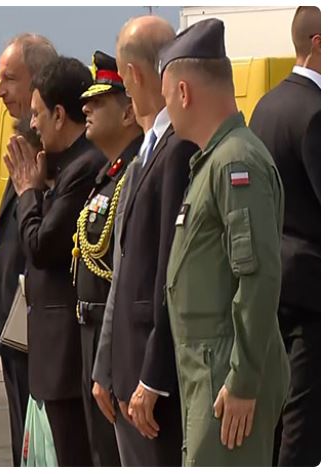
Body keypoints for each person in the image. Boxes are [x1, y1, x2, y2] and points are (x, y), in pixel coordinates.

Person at [160, 18, 290, 466]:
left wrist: (243, 380)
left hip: (227, 374)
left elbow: (257, 274)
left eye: (166, 99)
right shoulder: (214, 161)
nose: (167, 113)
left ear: (183, 92)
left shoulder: (237, 162)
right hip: (211, 370)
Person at [103, 16, 197, 466]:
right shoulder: (149, 148)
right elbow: (124, 271)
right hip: (128, 371)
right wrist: (108, 367)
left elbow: (167, 274)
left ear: (132, 75)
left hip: (150, 379)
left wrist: (153, 376)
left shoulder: (176, 148)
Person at [4, 56, 106, 466]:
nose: (33, 126)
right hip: (52, 361)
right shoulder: (67, 167)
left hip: (66, 361)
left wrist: (29, 190)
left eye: (38, 115)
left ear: (60, 115)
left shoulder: (84, 168)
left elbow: (43, 246)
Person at [248, 7, 320, 466]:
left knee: (278, 413)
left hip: (272, 279)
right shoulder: (316, 112)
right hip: (311, 287)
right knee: (304, 421)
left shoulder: (266, 106)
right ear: (318, 42)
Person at [0, 33, 58, 467]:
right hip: (15, 333)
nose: (0, 90)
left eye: (10, 78)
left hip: (38, 334)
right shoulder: (23, 146)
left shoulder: (54, 154)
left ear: (40, 81)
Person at [72, 50, 142, 467]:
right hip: (91, 332)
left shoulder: (135, 172)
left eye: (98, 102)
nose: (86, 108)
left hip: (112, 334)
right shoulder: (109, 173)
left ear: (129, 112)